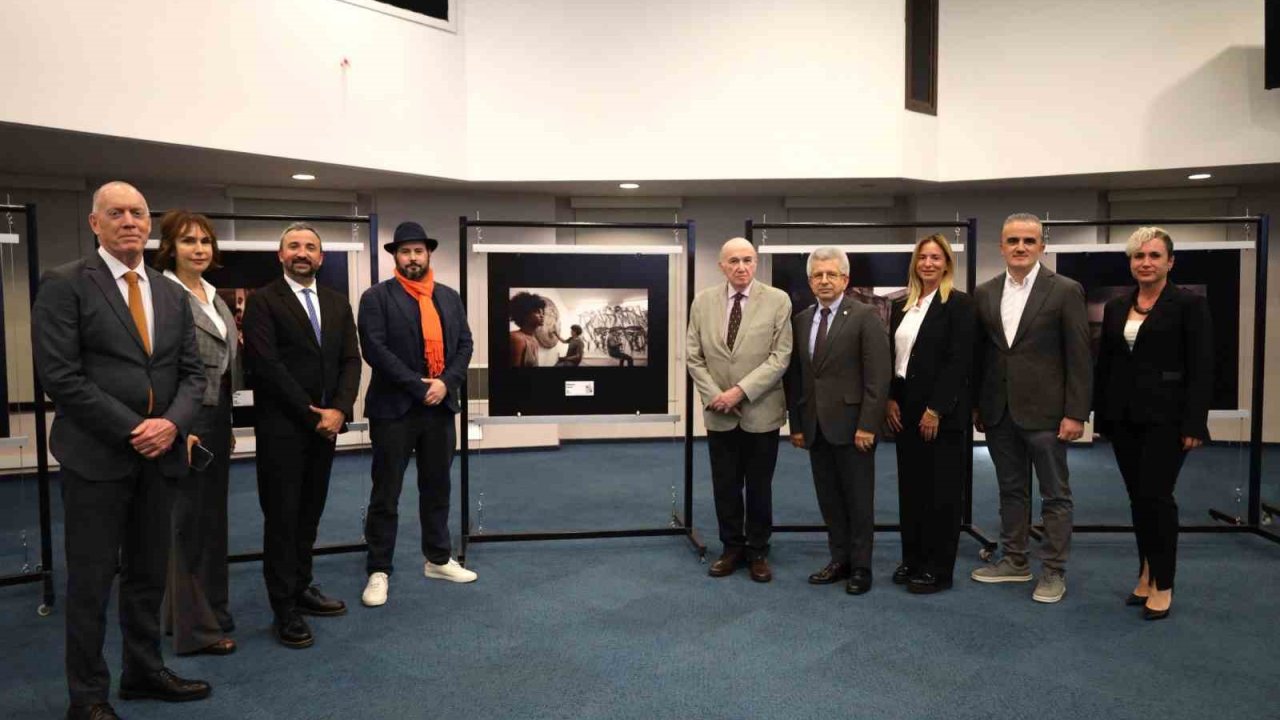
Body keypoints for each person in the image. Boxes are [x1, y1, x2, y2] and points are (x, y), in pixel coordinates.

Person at [32, 181, 210, 719]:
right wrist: (137, 428)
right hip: (97, 457)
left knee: (148, 574)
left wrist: (171, 426)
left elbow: (193, 375)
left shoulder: (170, 291)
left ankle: (143, 672)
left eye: (137, 212)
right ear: (95, 224)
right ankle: (87, 697)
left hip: (159, 460)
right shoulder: (65, 285)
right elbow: (60, 377)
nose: (129, 221)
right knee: (90, 582)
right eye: (117, 213)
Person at [242, 222, 361, 648]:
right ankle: (283, 608)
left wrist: (340, 410)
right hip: (283, 430)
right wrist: (313, 415)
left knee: (310, 513)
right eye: (293, 246)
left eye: (310, 247)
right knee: (282, 518)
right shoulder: (262, 302)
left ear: (321, 257)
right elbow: (266, 366)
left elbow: (352, 359)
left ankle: (302, 586)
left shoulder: (335, 302)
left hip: (325, 429)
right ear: (280, 255)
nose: (302, 252)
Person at [971, 213, 1091, 603]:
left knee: (1055, 495)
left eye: (1028, 240)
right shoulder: (985, 292)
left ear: (1042, 246)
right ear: (1001, 247)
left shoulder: (1065, 290)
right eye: (1012, 241)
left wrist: (1076, 412)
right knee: (1011, 490)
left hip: (1048, 414)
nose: (1020, 247)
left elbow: (1079, 356)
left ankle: (1053, 571)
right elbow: (984, 355)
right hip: (999, 412)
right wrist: (979, 406)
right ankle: (1015, 560)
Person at [1094, 227, 1212, 621]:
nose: (1146, 263)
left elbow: (1202, 368)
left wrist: (1194, 422)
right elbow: (1107, 365)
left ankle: (1163, 583)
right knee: (1138, 499)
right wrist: (1101, 415)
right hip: (1124, 420)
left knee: (1158, 499)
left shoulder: (1188, 305)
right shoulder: (1116, 306)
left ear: (1170, 262)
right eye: (1138, 256)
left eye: (1154, 256)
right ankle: (1145, 572)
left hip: (1169, 421)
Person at [359, 222, 476, 607]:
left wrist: (446, 382)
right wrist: (418, 385)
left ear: (428, 255)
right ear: (395, 256)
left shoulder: (449, 297)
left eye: (419, 251)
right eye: (405, 251)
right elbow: (375, 350)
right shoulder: (377, 298)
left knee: (437, 485)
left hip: (440, 407)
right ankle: (379, 569)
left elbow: (464, 343)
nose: (413, 257)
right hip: (394, 409)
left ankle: (438, 558)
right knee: (386, 492)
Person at [155, 211, 239, 655]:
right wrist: (179, 426)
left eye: (205, 241)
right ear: (171, 247)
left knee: (212, 521)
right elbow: (163, 366)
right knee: (185, 524)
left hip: (215, 414)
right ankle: (192, 629)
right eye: (189, 241)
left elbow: (225, 364)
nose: (200, 249)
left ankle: (212, 609)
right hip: (185, 418)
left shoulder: (211, 294)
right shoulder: (163, 293)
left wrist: (224, 423)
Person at [784, 247, 890, 595]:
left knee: (858, 501)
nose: (825, 280)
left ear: (845, 279)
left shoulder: (864, 316)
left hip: (854, 427)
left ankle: (861, 567)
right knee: (829, 500)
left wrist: (869, 425)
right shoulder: (801, 320)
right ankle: (839, 559)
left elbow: (878, 377)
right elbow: (797, 378)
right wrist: (797, 425)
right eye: (818, 275)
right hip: (816, 427)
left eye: (832, 274)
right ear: (810, 280)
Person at [687, 237, 792, 582]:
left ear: (756, 262)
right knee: (725, 485)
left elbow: (781, 358)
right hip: (718, 412)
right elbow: (694, 356)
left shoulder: (778, 301)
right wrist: (717, 395)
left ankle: (759, 551)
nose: (741, 267)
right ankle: (731, 548)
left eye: (747, 260)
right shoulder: (702, 302)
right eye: (733, 261)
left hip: (760, 410)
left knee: (759, 486)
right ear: (722, 266)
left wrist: (739, 392)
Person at [885, 234, 975, 594]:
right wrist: (891, 398)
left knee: (942, 491)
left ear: (947, 264)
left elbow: (958, 362)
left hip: (940, 411)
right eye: (923, 257)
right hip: (905, 407)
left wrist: (936, 409)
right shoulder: (902, 306)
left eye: (936, 258)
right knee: (912, 487)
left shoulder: (959, 304)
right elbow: (895, 360)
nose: (928, 264)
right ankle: (913, 559)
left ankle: (938, 569)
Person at [509, 292, 545, 367]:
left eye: (542, 312)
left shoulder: (534, 340)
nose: (542, 316)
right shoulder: (516, 338)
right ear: (524, 314)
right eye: (537, 312)